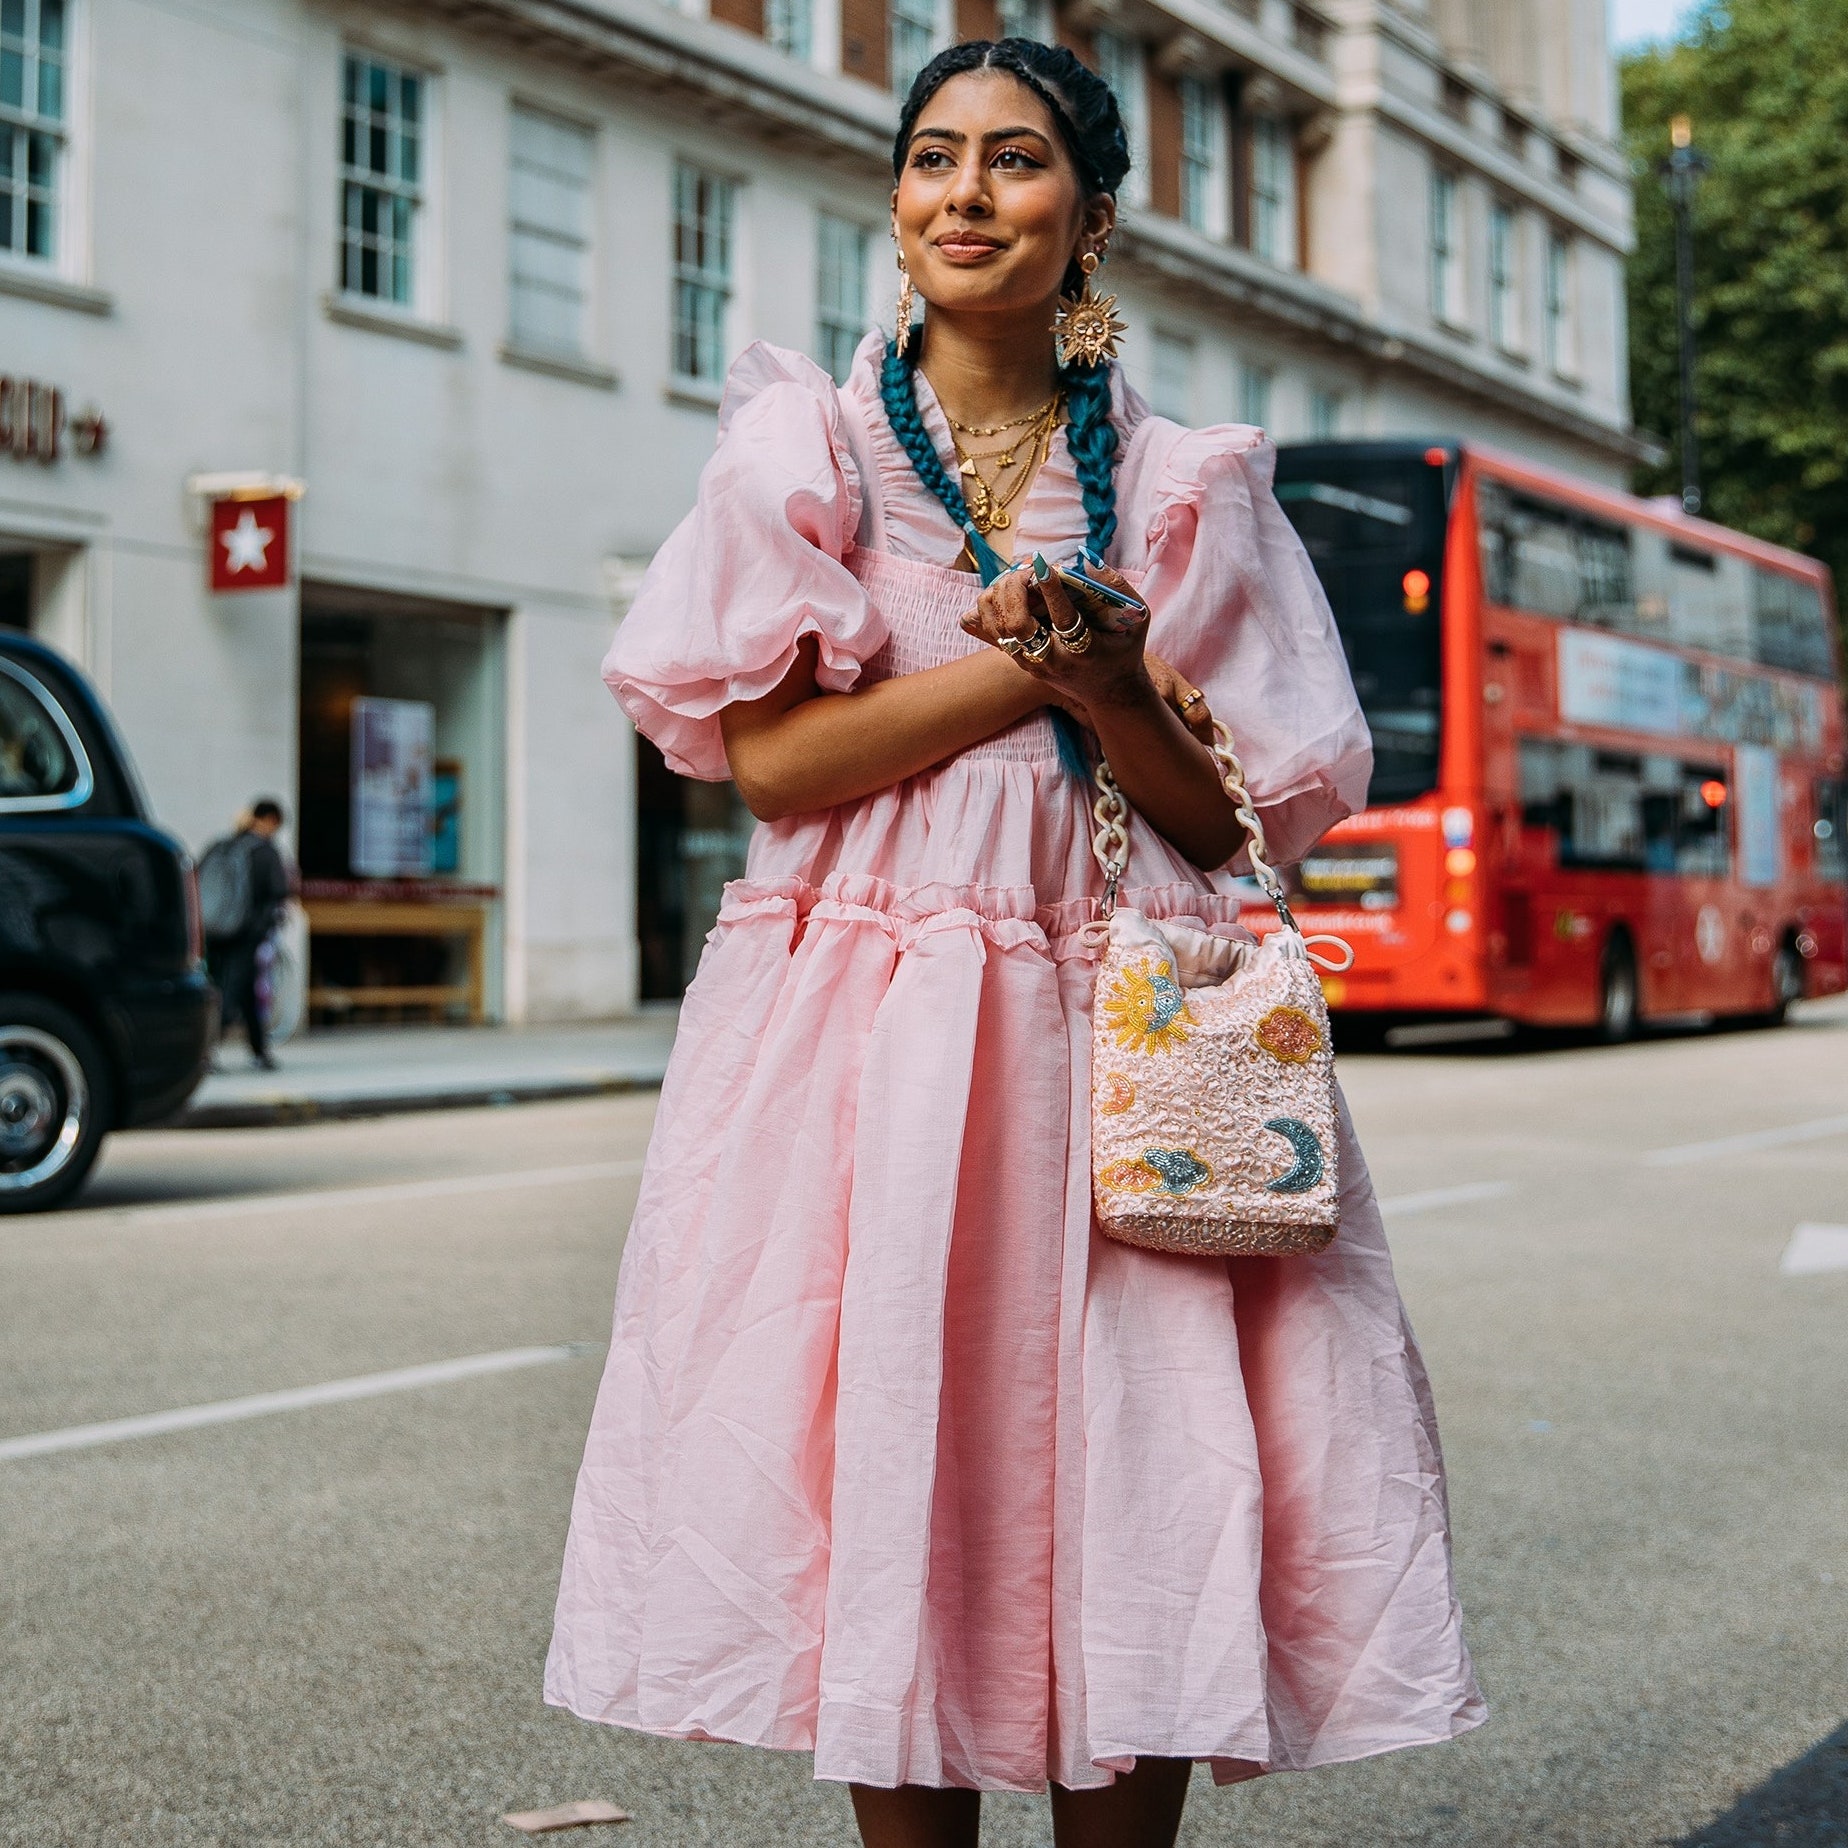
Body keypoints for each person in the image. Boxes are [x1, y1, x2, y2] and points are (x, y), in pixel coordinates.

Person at [548, 39, 1483, 1848]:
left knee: (1134, 1455)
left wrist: (1120, 675)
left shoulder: (1183, 479)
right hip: (868, 1025)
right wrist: (1025, 665)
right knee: (895, 1434)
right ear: (896, 204)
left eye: (1015, 160)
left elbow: (1225, 822)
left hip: (1125, 1011)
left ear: (1094, 217)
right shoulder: (805, 449)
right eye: (930, 158)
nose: (964, 191)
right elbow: (774, 765)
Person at [200, 798, 291, 1071]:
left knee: (239, 991)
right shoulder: (265, 852)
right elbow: (277, 892)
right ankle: (206, 1052)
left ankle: (259, 1051)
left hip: (215, 929)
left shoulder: (224, 845)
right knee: (234, 991)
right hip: (247, 932)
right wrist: (265, 927)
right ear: (269, 820)